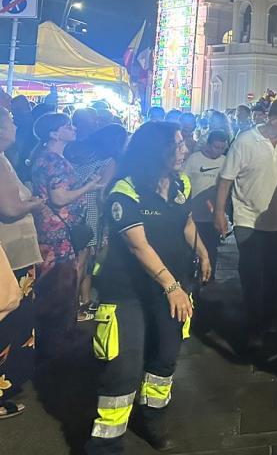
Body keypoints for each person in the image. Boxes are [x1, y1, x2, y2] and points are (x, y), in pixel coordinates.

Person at [83, 122, 211, 454]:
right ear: (156, 150)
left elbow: (186, 222)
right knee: (124, 368)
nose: (185, 149)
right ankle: (106, 442)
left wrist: (202, 251)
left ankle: (153, 419)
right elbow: (138, 245)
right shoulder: (125, 190)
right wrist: (172, 287)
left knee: (165, 358)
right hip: (128, 292)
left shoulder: (181, 182)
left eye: (183, 143)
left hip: (171, 288)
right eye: (177, 144)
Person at [214, 98, 277, 355]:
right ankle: (255, 326)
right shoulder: (245, 142)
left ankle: (269, 316)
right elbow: (226, 179)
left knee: (273, 273)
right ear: (273, 119)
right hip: (247, 219)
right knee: (253, 273)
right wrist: (219, 212)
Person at [30, 113, 106, 357]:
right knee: (59, 287)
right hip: (58, 233)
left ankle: (52, 341)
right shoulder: (53, 160)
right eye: (67, 125)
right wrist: (88, 187)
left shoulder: (48, 157)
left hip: (54, 230)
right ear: (54, 134)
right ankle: (55, 345)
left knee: (55, 286)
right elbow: (59, 197)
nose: (73, 128)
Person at [0, 108, 44, 419]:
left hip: (11, 251)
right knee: (10, 317)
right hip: (12, 253)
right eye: (10, 119)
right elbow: (10, 209)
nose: (16, 124)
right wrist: (34, 203)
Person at [67, 124, 129, 320]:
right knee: (83, 259)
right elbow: (102, 193)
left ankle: (84, 302)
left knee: (84, 258)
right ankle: (70, 308)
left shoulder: (81, 155)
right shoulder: (110, 161)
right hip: (91, 210)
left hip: (73, 208)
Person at [182, 130, 229, 280]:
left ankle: (208, 278)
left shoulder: (225, 162)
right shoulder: (194, 159)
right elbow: (183, 180)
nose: (219, 151)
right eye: (216, 147)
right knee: (192, 247)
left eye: (222, 148)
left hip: (213, 215)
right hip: (194, 214)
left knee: (211, 248)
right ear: (208, 145)